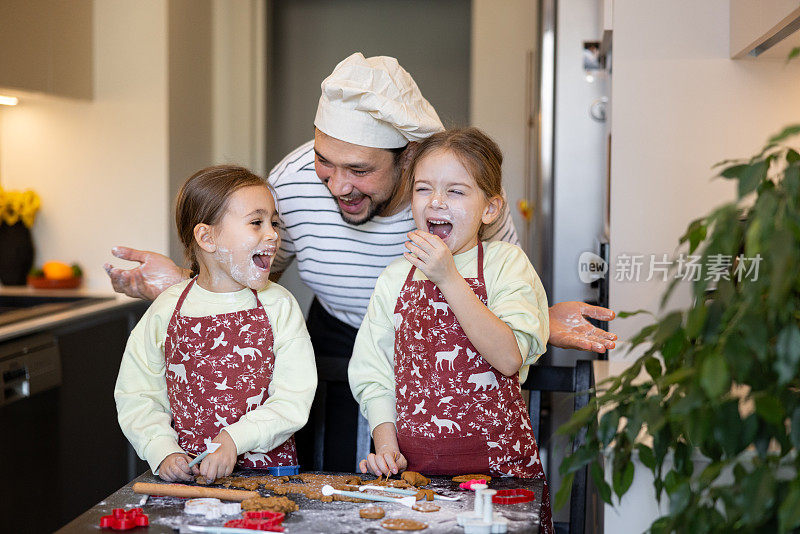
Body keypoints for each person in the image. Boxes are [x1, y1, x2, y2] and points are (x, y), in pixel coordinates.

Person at [105, 53, 616, 471]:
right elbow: (250, 281)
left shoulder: (450, 200)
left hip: (450, 350)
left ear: (408, 157)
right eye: (325, 162)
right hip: (331, 341)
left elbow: (498, 295)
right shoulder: (291, 184)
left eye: (359, 170)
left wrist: (540, 323)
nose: (337, 185)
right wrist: (186, 286)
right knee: (336, 473)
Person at [349, 127, 553, 532]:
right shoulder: (395, 277)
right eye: (423, 189)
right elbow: (374, 374)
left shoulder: (505, 265)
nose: (436, 201)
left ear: (490, 208)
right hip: (415, 478)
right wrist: (387, 447)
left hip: (501, 477)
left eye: (456, 192)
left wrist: (449, 279)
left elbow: (509, 357)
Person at [114, 165, 316, 483]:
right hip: (188, 477)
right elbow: (137, 394)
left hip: (269, 478)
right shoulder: (167, 309)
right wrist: (162, 450)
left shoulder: (279, 305)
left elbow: (294, 397)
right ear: (207, 237)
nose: (273, 234)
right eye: (256, 223)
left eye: (273, 223)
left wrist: (235, 439)